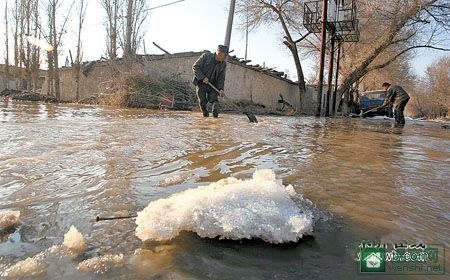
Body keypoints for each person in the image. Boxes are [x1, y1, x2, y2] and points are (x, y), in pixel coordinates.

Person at [192, 45, 228, 117]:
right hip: (201, 82)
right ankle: (205, 116)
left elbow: (221, 77)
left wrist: (221, 89)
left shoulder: (223, 64)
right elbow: (195, 67)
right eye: (224, 55)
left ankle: (215, 114)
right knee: (202, 102)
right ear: (219, 53)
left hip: (213, 84)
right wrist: (202, 77)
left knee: (214, 99)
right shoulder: (206, 56)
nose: (224, 57)